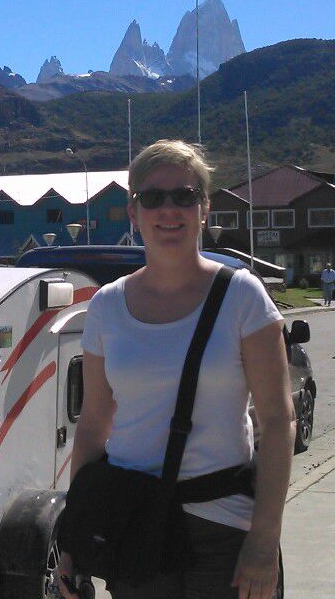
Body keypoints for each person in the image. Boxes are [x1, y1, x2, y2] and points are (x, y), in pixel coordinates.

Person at [58, 139, 293, 599]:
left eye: (184, 196)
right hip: (132, 525)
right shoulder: (106, 306)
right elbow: (93, 425)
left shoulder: (243, 296)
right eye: (152, 197)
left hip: (224, 528)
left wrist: (265, 540)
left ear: (204, 209)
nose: (169, 209)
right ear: (133, 211)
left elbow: (278, 421)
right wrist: (74, 537)